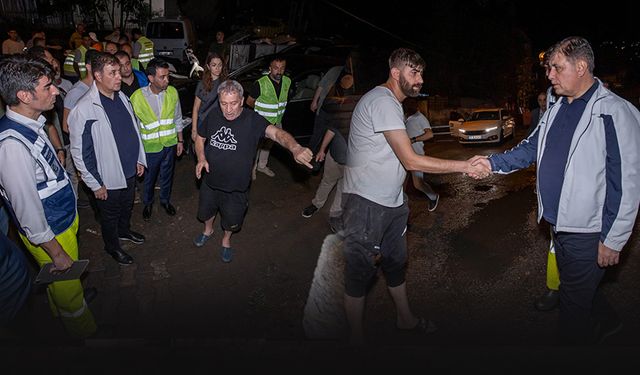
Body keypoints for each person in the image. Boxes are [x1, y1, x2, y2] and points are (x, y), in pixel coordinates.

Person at [471, 36, 640, 344]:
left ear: (581, 67)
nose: (549, 75)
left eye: (556, 68)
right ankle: (611, 322)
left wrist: (613, 239)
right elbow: (530, 148)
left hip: (588, 231)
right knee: (577, 287)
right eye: (548, 67)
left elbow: (627, 182)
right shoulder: (556, 108)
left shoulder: (615, 112)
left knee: (572, 310)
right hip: (558, 225)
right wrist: (491, 163)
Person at [341, 48, 485, 345]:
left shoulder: (394, 104)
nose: (420, 79)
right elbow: (411, 161)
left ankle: (405, 319)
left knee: (395, 264)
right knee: (359, 272)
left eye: (421, 73)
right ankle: (355, 340)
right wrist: (465, 166)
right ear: (396, 73)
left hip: (392, 202)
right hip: (367, 202)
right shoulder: (383, 101)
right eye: (413, 73)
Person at [0, 55, 97, 337]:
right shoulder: (11, 147)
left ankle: (62, 306)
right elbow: (27, 211)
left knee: (63, 284)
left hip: (61, 220)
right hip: (51, 231)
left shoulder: (31, 123)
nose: (56, 91)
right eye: (47, 87)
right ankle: (83, 336)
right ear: (24, 95)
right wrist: (56, 253)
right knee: (69, 293)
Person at [193, 79, 313, 262]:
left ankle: (226, 241)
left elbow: (277, 134)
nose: (229, 109)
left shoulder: (252, 120)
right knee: (206, 212)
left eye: (233, 103)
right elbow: (200, 138)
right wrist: (201, 157)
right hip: (210, 181)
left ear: (241, 101)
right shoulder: (213, 115)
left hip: (236, 187)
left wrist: (295, 147)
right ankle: (207, 231)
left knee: (231, 220)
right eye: (224, 104)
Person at [68, 52, 147, 266]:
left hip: (130, 169)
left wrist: (139, 159)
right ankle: (112, 246)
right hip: (107, 177)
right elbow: (80, 153)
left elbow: (133, 130)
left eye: (119, 72)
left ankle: (124, 231)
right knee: (109, 216)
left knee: (127, 206)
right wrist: (95, 184)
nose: (119, 76)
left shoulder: (121, 96)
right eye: (112, 73)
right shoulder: (84, 108)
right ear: (97, 76)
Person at [301, 70, 359, 234]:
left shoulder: (364, 116)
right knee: (327, 181)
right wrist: (322, 150)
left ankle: (335, 216)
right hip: (334, 157)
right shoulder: (342, 110)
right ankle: (316, 204)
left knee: (343, 188)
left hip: (353, 163)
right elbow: (331, 130)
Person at [130, 58, 185, 221]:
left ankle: (165, 201)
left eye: (167, 76)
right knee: (149, 179)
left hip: (170, 144)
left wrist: (180, 140)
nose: (167, 80)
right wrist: (136, 154)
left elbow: (178, 118)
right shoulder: (137, 97)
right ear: (151, 78)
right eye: (162, 77)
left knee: (167, 176)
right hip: (150, 148)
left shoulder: (173, 92)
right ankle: (148, 203)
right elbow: (134, 128)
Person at [246, 55, 293, 179]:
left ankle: (262, 166)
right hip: (261, 123)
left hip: (277, 121)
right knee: (256, 147)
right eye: (276, 68)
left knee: (268, 146)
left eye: (282, 68)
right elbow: (249, 101)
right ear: (270, 68)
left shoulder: (288, 81)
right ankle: (252, 169)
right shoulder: (260, 84)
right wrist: (260, 113)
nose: (279, 71)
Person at [404, 97, 439, 211]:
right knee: (399, 185)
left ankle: (433, 197)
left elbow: (430, 135)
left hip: (416, 155)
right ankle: (401, 211)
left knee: (418, 184)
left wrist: (413, 140)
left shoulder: (420, 117)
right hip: (403, 154)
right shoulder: (404, 117)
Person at [191, 52, 227, 142]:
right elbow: (196, 108)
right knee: (201, 152)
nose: (217, 68)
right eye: (214, 65)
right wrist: (194, 129)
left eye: (220, 65)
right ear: (208, 66)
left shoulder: (225, 84)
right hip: (203, 123)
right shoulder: (201, 84)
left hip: (219, 123)